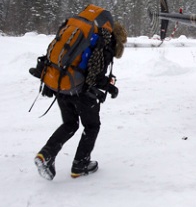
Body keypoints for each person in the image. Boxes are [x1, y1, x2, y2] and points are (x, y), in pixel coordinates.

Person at [34, 17, 128, 180]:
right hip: (79, 90)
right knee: (92, 126)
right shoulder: (103, 44)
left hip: (62, 85)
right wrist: (109, 87)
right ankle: (80, 164)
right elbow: (94, 77)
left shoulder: (86, 36)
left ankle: (46, 154)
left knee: (70, 123)